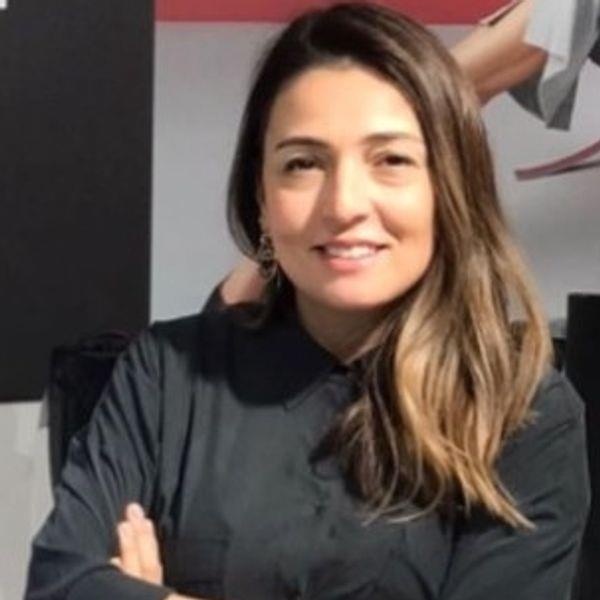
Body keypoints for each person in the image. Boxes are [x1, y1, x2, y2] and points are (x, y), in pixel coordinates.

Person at [25, 3, 590, 600]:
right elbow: (63, 582)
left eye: (391, 161)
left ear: (448, 186)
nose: (344, 204)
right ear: (261, 197)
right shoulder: (166, 374)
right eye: (303, 164)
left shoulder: (522, 412)